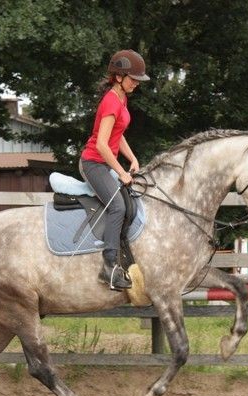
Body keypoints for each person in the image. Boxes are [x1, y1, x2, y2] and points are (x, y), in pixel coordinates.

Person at [79, 49, 149, 290]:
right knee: (117, 206)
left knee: (129, 204)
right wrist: (121, 171)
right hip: (93, 163)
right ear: (119, 77)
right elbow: (101, 144)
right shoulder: (111, 100)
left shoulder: (122, 98)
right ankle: (108, 268)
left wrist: (132, 157)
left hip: (105, 161)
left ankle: (123, 257)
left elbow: (116, 137)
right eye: (133, 79)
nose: (136, 84)